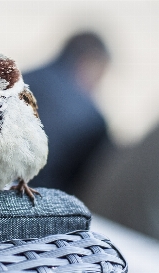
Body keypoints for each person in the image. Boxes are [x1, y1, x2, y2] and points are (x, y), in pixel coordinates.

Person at [25, 32, 111, 193]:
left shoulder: (15, 81)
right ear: (88, 63)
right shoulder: (92, 119)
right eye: (100, 76)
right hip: (38, 203)